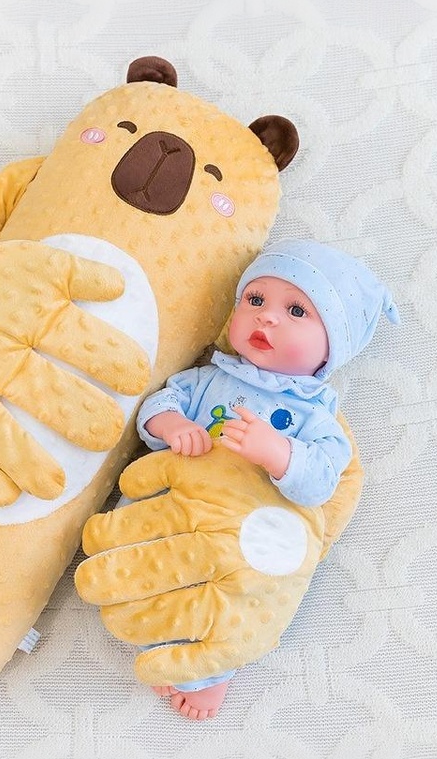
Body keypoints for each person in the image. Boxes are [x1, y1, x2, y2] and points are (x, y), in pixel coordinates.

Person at [134, 238, 399, 720]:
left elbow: (322, 482)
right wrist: (171, 425)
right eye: (255, 300)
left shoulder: (316, 417)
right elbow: (160, 402)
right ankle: (159, 636)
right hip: (178, 511)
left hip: (243, 533)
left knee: (237, 594)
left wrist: (279, 454)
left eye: (296, 311)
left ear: (331, 349)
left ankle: (212, 668)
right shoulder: (208, 379)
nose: (267, 318)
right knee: (149, 570)